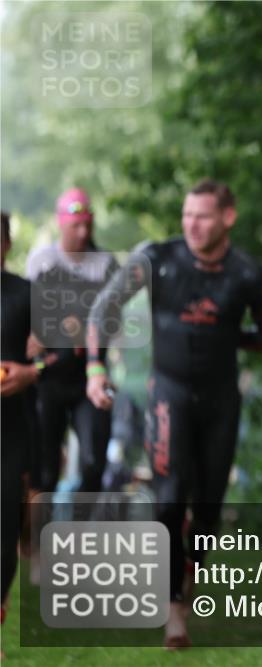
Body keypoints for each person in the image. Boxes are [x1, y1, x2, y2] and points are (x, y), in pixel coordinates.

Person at [85, 179, 262, 648]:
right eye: (186, 214)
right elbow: (103, 308)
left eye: (204, 215)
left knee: (209, 508)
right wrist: (95, 369)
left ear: (228, 218)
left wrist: (225, 334)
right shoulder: (157, 259)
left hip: (220, 401)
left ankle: (186, 572)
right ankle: (175, 607)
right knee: (170, 498)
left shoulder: (249, 274)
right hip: (167, 394)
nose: (191, 224)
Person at [26, 187, 118, 495]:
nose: (81, 233)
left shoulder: (105, 264)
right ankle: (40, 536)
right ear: (60, 223)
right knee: (46, 470)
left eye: (87, 226)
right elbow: (32, 317)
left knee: (94, 462)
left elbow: (110, 322)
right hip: (48, 376)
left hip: (88, 378)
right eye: (74, 226)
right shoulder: (41, 261)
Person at [1, 211, 41, 638]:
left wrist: (33, 372)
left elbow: (65, 354)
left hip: (9, 431)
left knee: (5, 528)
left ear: (6, 244)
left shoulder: (28, 295)